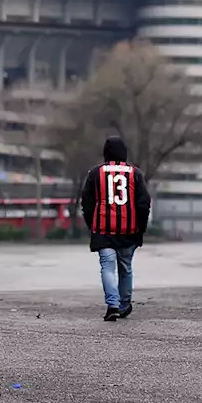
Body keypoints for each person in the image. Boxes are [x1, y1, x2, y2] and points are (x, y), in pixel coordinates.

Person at [78, 136, 152, 321]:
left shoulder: (96, 173)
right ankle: (124, 305)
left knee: (107, 268)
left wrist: (92, 224)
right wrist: (140, 228)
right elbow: (144, 203)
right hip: (129, 230)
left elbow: (86, 202)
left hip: (103, 230)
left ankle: (112, 305)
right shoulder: (135, 173)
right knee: (125, 269)